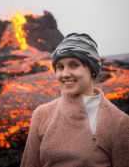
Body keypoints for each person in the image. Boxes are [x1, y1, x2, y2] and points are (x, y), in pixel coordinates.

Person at [20, 33, 129, 167]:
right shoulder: (41, 115)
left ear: (92, 70)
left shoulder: (119, 123)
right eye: (60, 67)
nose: (65, 74)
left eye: (74, 65)